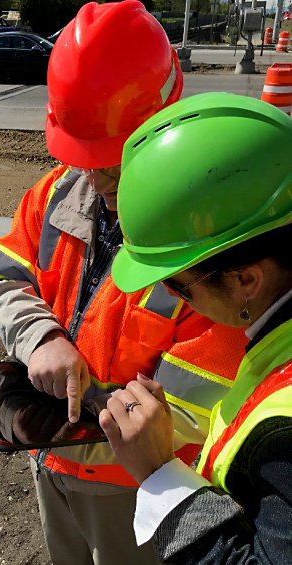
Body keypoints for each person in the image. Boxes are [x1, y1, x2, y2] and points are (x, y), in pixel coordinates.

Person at [0, 3, 248, 563]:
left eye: (111, 162)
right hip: (49, 463)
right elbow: (1, 277)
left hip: (136, 491)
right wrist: (41, 338)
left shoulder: (208, 244)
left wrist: (64, 424)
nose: (94, 177)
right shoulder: (56, 194)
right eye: (84, 158)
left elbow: (189, 407)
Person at [100, 91, 292, 564]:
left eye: (179, 287)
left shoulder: (284, 437)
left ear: (247, 279)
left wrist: (159, 473)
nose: (172, 298)